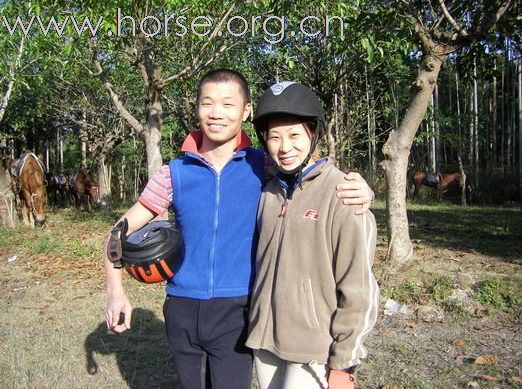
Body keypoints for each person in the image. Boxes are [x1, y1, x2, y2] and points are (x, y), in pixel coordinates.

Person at [103, 69, 375, 389]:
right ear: (197, 107)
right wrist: (115, 292)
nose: (217, 113)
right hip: (181, 310)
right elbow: (118, 233)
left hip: (238, 313)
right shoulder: (172, 175)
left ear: (246, 112)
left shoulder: (264, 166)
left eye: (228, 104)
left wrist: (358, 189)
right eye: (208, 103)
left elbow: (309, 172)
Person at [246, 82, 379, 389]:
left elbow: (359, 289)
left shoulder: (343, 195)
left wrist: (345, 363)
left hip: (313, 350)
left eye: (294, 135)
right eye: (274, 137)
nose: (284, 147)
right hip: (266, 340)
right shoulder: (269, 191)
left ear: (314, 134)